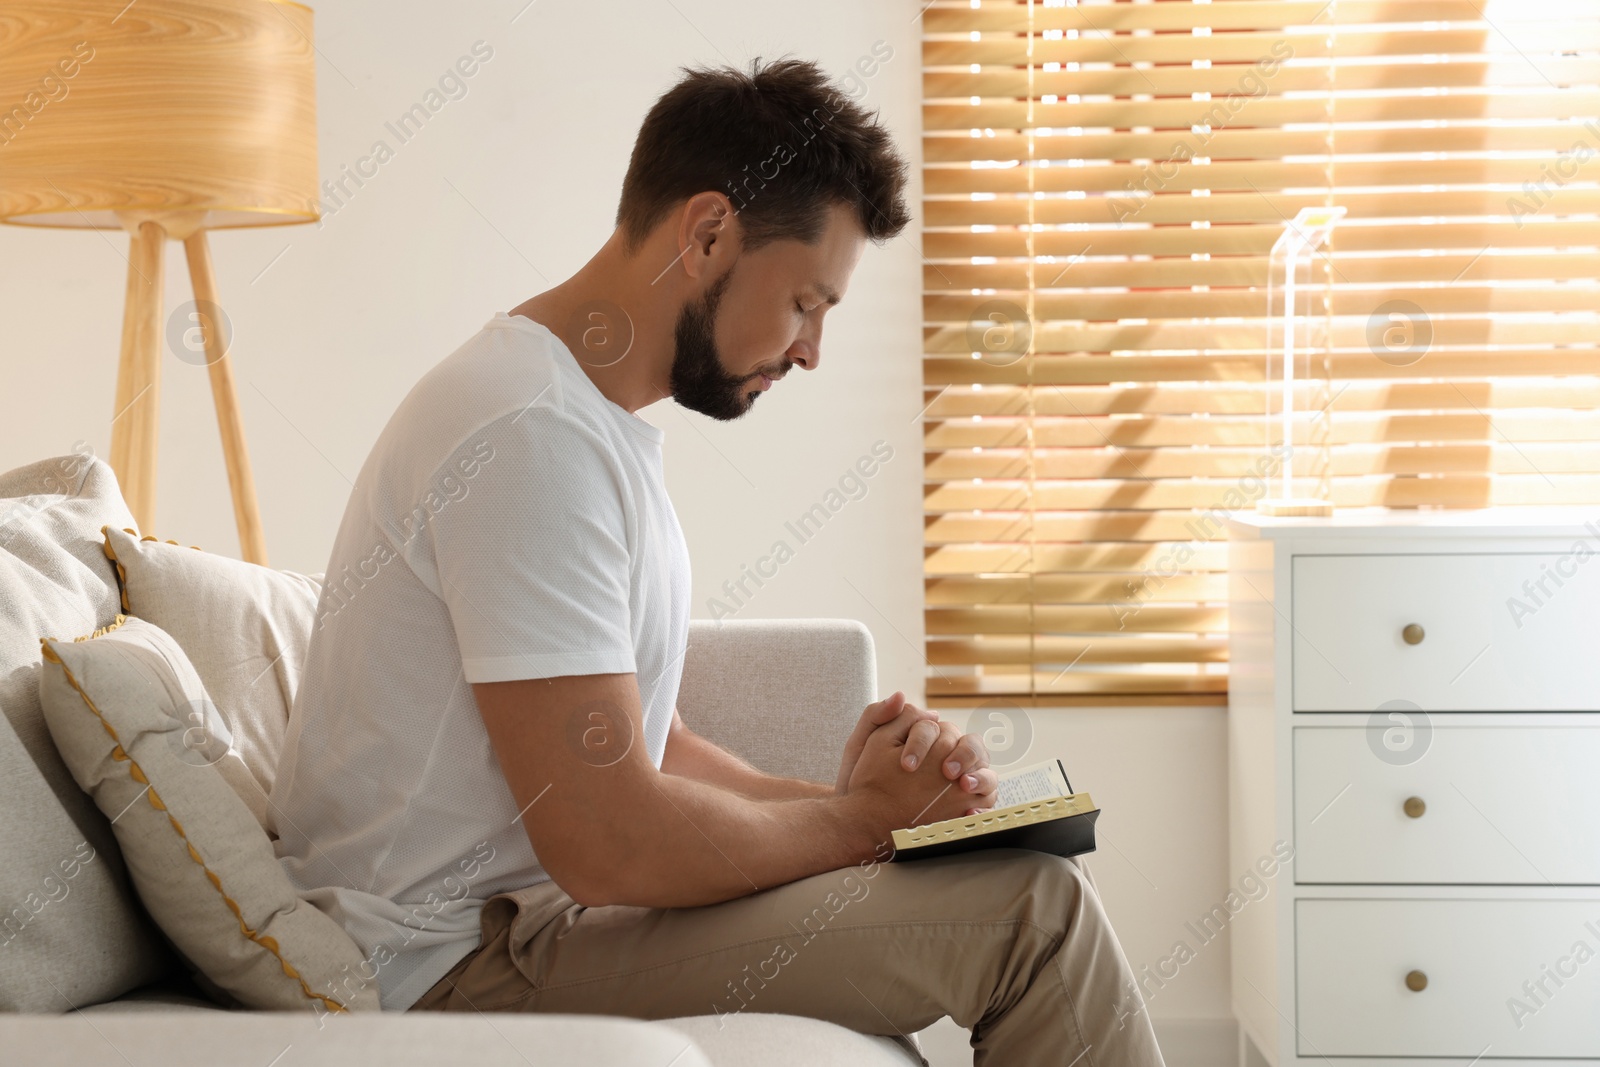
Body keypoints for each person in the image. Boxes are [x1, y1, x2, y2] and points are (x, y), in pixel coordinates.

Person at [269, 57, 1164, 1066]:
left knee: (1026, 882)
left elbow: (658, 742)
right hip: (446, 968)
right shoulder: (525, 433)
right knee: (1030, 912)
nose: (813, 349)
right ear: (706, 235)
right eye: (806, 303)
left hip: (521, 929)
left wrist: (863, 809)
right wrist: (865, 822)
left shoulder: (582, 423)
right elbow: (606, 837)